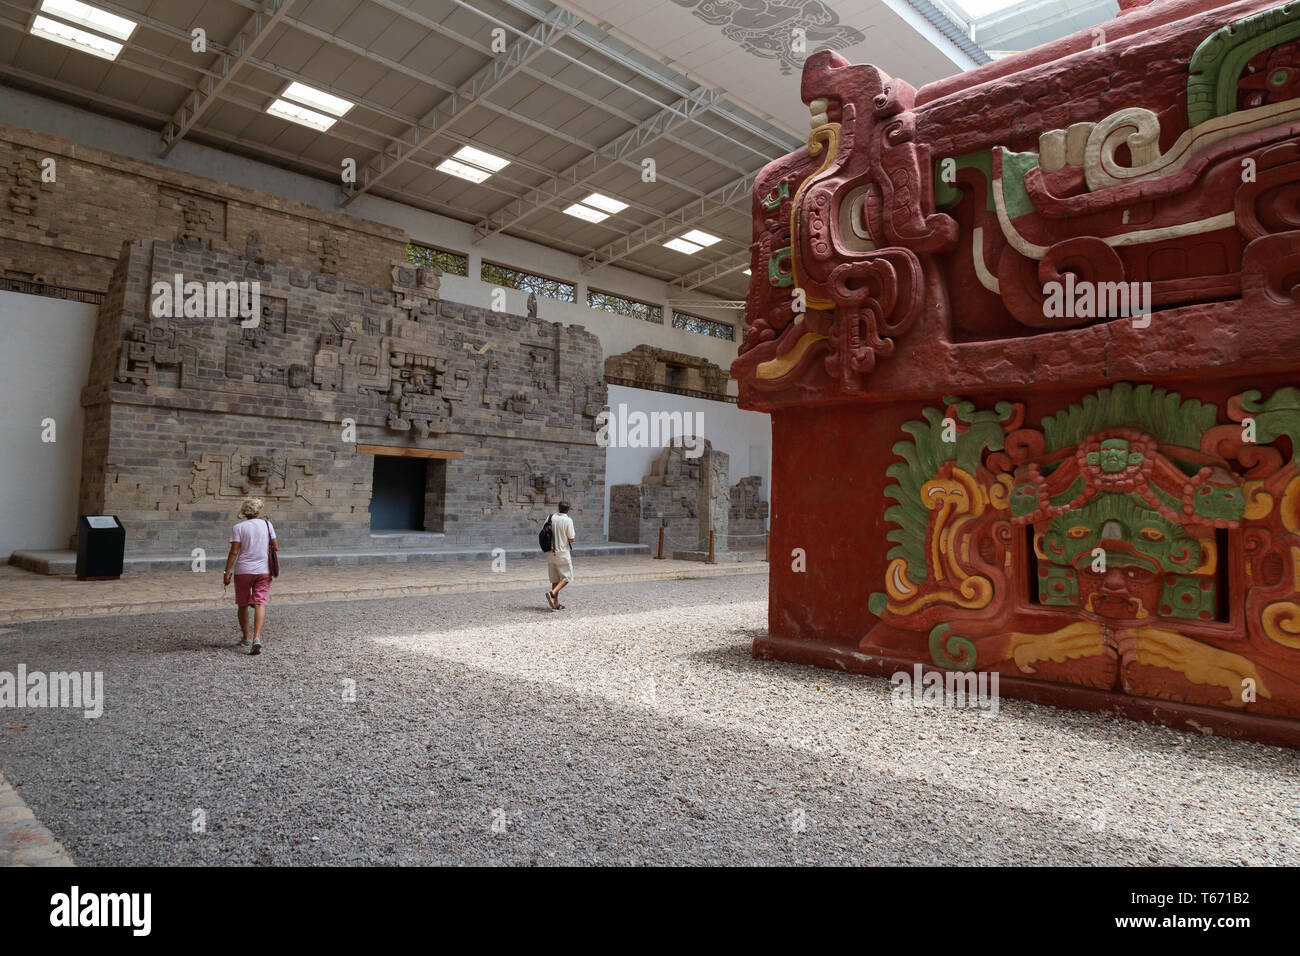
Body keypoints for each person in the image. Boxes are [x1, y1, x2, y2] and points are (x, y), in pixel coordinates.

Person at [223, 497, 278, 655]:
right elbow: (276, 546)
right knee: (260, 603)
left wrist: (226, 572)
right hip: (263, 570)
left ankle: (246, 638)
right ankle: (257, 638)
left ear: (244, 511)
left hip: (243, 571)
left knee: (242, 604)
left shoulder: (238, 527)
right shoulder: (268, 525)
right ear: (258, 510)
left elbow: (234, 552)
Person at [545, 501, 576, 611]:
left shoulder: (550, 517)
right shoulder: (568, 520)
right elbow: (571, 538)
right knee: (567, 577)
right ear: (568, 509)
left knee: (555, 579)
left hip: (551, 553)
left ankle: (555, 604)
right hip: (562, 553)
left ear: (558, 508)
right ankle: (552, 593)